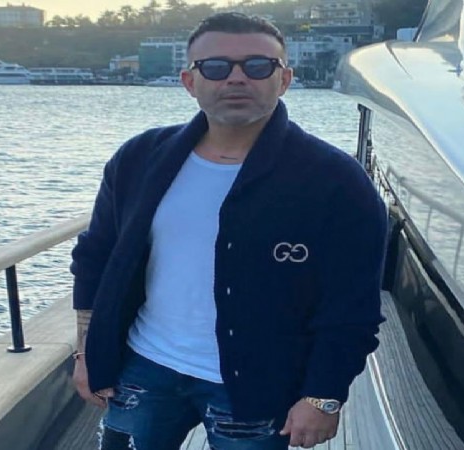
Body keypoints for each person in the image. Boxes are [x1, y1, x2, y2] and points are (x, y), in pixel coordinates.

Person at [70, 12, 387, 450]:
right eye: (216, 67)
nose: (237, 78)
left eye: (258, 66)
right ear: (189, 81)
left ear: (284, 79)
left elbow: (352, 306)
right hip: (145, 367)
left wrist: (323, 396)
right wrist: (87, 351)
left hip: (261, 381)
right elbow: (95, 256)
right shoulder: (141, 158)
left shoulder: (336, 181)